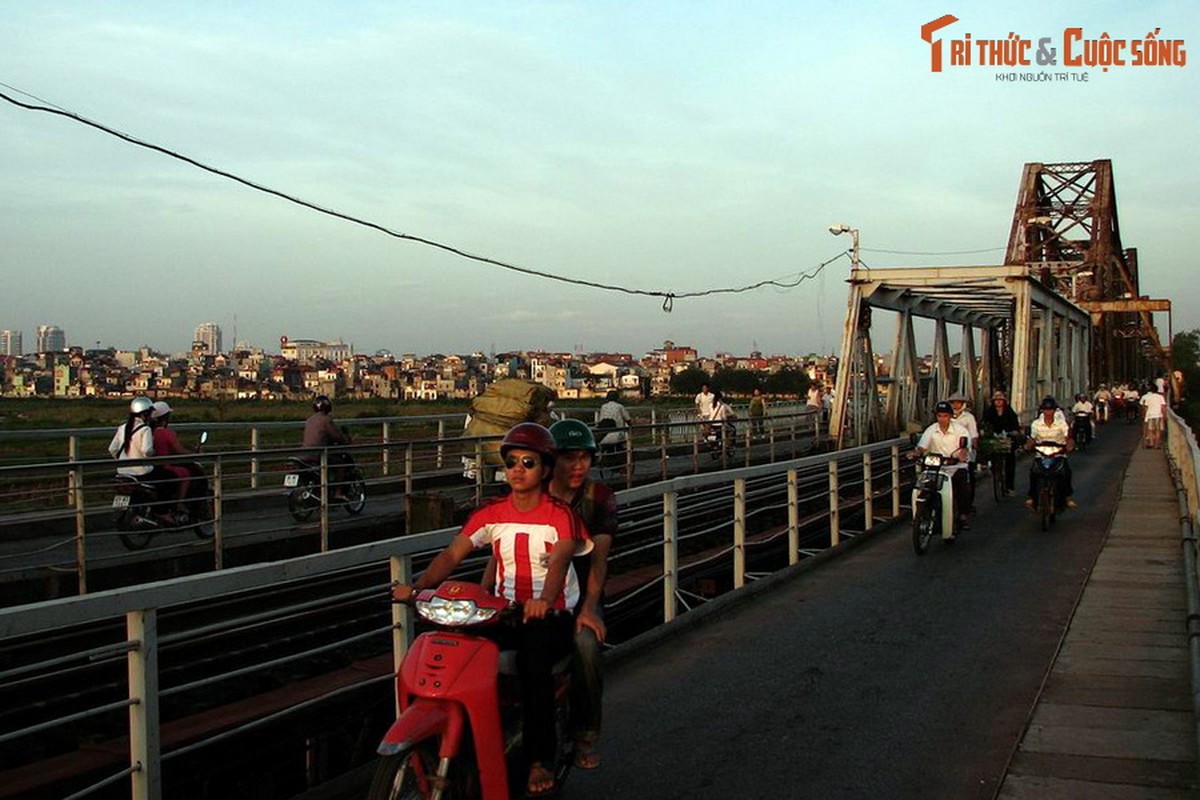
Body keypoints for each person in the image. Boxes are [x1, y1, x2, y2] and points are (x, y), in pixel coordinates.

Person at [394, 423, 592, 797]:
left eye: (528, 462)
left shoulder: (559, 514)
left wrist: (544, 601)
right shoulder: (492, 513)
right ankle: (466, 745)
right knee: (456, 653)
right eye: (511, 462)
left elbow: (561, 559)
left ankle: (539, 758)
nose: (518, 470)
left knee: (532, 666)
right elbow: (454, 553)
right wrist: (419, 587)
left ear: (546, 469)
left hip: (548, 616)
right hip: (502, 613)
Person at [546, 419, 617, 770]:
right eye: (569, 458)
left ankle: (586, 733)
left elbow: (600, 559)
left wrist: (590, 606)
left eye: (585, 458)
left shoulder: (597, 497)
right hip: (532, 593)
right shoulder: (534, 493)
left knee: (587, 646)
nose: (578, 467)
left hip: (578, 596)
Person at [107, 396, 184, 523]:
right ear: (145, 414)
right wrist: (152, 454)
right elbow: (147, 451)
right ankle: (162, 512)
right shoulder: (145, 429)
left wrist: (124, 459)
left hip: (122, 471)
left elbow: (112, 449)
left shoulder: (122, 428)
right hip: (142, 471)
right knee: (171, 478)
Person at [912, 400, 972, 535]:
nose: (942, 419)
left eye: (945, 416)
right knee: (919, 486)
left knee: (962, 486)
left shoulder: (960, 430)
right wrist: (915, 452)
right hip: (935, 467)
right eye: (939, 416)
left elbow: (965, 449)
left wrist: (962, 454)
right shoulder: (931, 429)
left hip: (955, 466)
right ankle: (919, 514)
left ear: (950, 416)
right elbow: (922, 446)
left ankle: (963, 515)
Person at [1025, 396, 1076, 509]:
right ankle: (1032, 497)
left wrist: (1069, 444)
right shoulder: (1036, 424)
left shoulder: (1061, 423)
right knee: (1033, 473)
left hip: (1058, 454)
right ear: (1042, 410)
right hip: (1041, 454)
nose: (1048, 412)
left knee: (1066, 472)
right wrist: (1028, 444)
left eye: (1051, 410)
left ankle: (1067, 497)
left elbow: (1068, 436)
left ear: (1054, 410)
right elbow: (1032, 438)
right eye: (1046, 410)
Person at [150, 401, 194, 517]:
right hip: (165, 466)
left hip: (152, 466)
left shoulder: (149, 432)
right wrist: (193, 454)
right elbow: (179, 450)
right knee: (185, 473)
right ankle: (179, 503)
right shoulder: (166, 433)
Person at [303, 394, 351, 500]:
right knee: (340, 464)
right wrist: (345, 440)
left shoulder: (309, 420)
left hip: (305, 454)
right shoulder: (326, 420)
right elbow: (336, 436)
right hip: (318, 455)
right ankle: (337, 492)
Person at [980, 390, 1022, 496]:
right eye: (996, 400)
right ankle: (991, 469)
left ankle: (1010, 487)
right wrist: (985, 431)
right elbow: (985, 422)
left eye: (1000, 400)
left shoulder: (1009, 411)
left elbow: (1015, 424)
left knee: (1010, 460)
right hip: (994, 437)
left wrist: (1014, 431)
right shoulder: (990, 412)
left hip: (1007, 437)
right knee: (990, 451)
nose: (998, 402)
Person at [947, 392, 979, 512]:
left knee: (968, 477)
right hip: (949, 450)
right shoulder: (948, 416)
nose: (956, 405)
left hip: (965, 450)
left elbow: (973, 433)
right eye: (954, 403)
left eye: (958, 402)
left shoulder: (968, 417)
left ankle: (967, 506)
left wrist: (974, 448)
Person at [595, 390, 631, 458]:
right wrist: (630, 427)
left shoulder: (603, 406)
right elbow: (628, 419)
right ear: (617, 398)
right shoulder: (620, 407)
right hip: (618, 431)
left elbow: (601, 420)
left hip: (604, 432)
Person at [1140, 383, 1167, 449]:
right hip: (1158, 415)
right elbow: (1163, 407)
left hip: (1150, 415)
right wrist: (1164, 416)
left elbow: (1145, 407)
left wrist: (1143, 415)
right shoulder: (1160, 397)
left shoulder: (1147, 397)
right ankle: (1157, 445)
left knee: (1150, 430)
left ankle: (1151, 443)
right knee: (1158, 430)